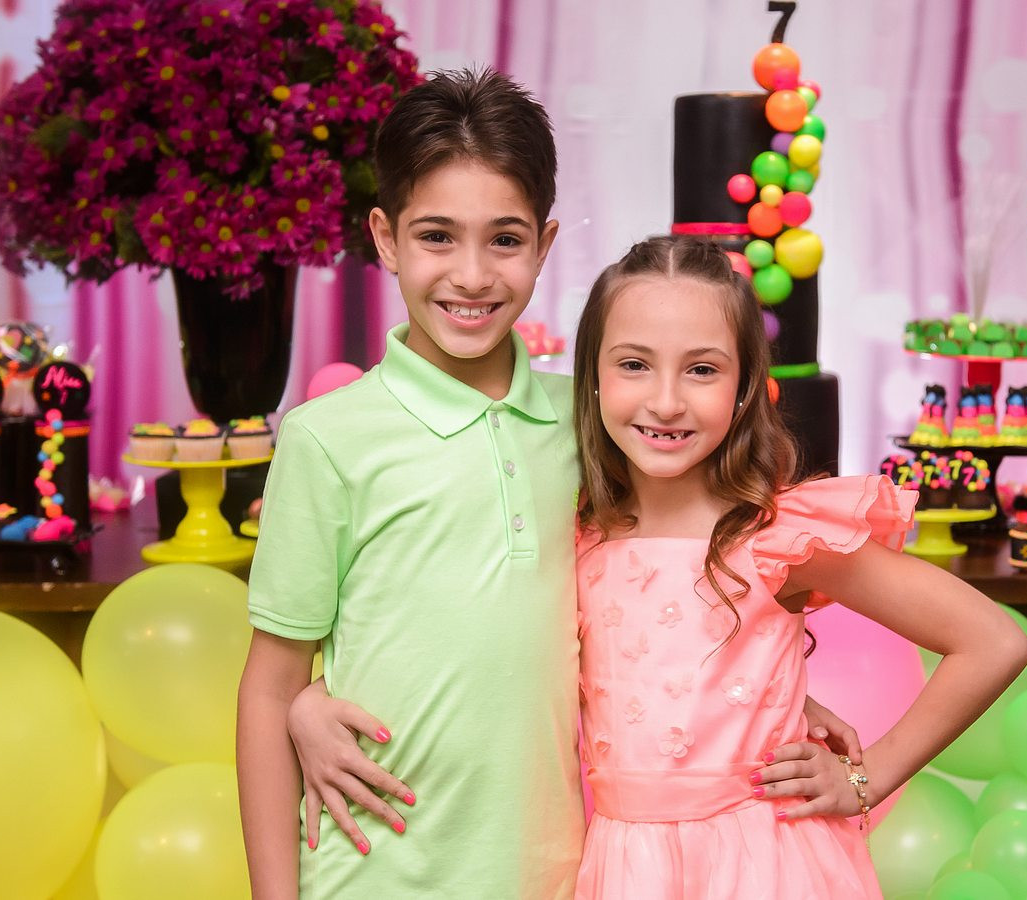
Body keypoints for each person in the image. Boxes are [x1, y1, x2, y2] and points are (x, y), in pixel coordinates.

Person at [237, 71, 858, 900]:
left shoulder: (599, 425)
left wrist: (759, 702)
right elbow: (269, 687)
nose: (471, 275)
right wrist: (302, 707)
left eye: (504, 239)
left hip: (555, 875)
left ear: (545, 242)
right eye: (436, 237)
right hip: (370, 873)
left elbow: (668, 582)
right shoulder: (327, 440)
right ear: (384, 238)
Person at [286, 235, 1027, 897]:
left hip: (764, 865)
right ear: (593, 377)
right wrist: (314, 697)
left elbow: (993, 641)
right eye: (635, 365)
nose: (666, 401)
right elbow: (465, 625)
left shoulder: (777, 536)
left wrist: (866, 777)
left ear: (744, 387)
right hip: (623, 866)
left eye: (702, 369)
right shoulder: (575, 526)